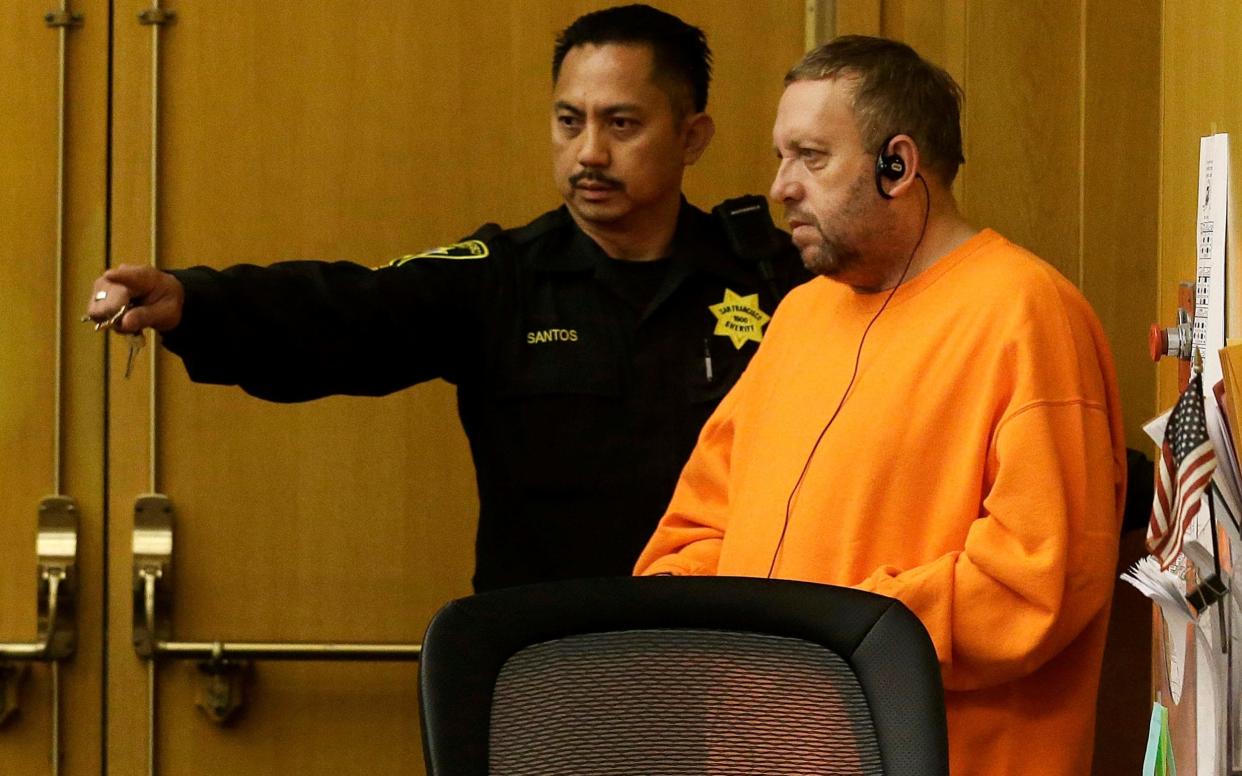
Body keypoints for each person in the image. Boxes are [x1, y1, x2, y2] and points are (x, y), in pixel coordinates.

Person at [85, 5, 806, 592]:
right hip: (543, 663)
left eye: (621, 124)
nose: (588, 152)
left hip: (730, 654)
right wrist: (194, 302)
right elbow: (346, 310)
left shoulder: (774, 281)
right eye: (568, 120)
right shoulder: (500, 277)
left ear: (692, 138)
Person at [634, 35, 1126, 776]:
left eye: (810, 156)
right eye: (781, 156)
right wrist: (675, 614)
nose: (780, 187)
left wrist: (832, 634)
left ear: (897, 164)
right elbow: (703, 526)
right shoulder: (800, 317)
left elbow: (1037, 583)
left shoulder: (1026, 312)